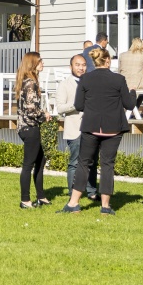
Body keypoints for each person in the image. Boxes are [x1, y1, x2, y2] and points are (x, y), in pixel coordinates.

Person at [61, 48, 138, 216]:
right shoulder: (118, 79)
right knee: (107, 165)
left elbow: (79, 105)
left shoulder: (85, 79)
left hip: (91, 126)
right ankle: (105, 206)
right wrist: (133, 92)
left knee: (83, 164)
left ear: (94, 62)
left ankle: (73, 203)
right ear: (108, 61)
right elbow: (129, 104)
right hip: (113, 128)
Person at [56, 54, 98, 201]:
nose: (81, 68)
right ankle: (72, 194)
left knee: (92, 161)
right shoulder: (64, 84)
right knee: (75, 162)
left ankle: (92, 191)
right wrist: (77, 104)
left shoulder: (91, 82)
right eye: (77, 65)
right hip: (74, 129)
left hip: (91, 127)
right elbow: (60, 108)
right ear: (71, 67)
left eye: (83, 65)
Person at [16, 52, 51, 209]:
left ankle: (41, 196)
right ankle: (25, 200)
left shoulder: (26, 81)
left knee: (40, 160)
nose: (42, 63)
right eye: (40, 61)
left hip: (24, 127)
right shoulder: (31, 83)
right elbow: (31, 110)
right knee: (28, 165)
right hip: (30, 127)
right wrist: (44, 115)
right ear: (33, 64)